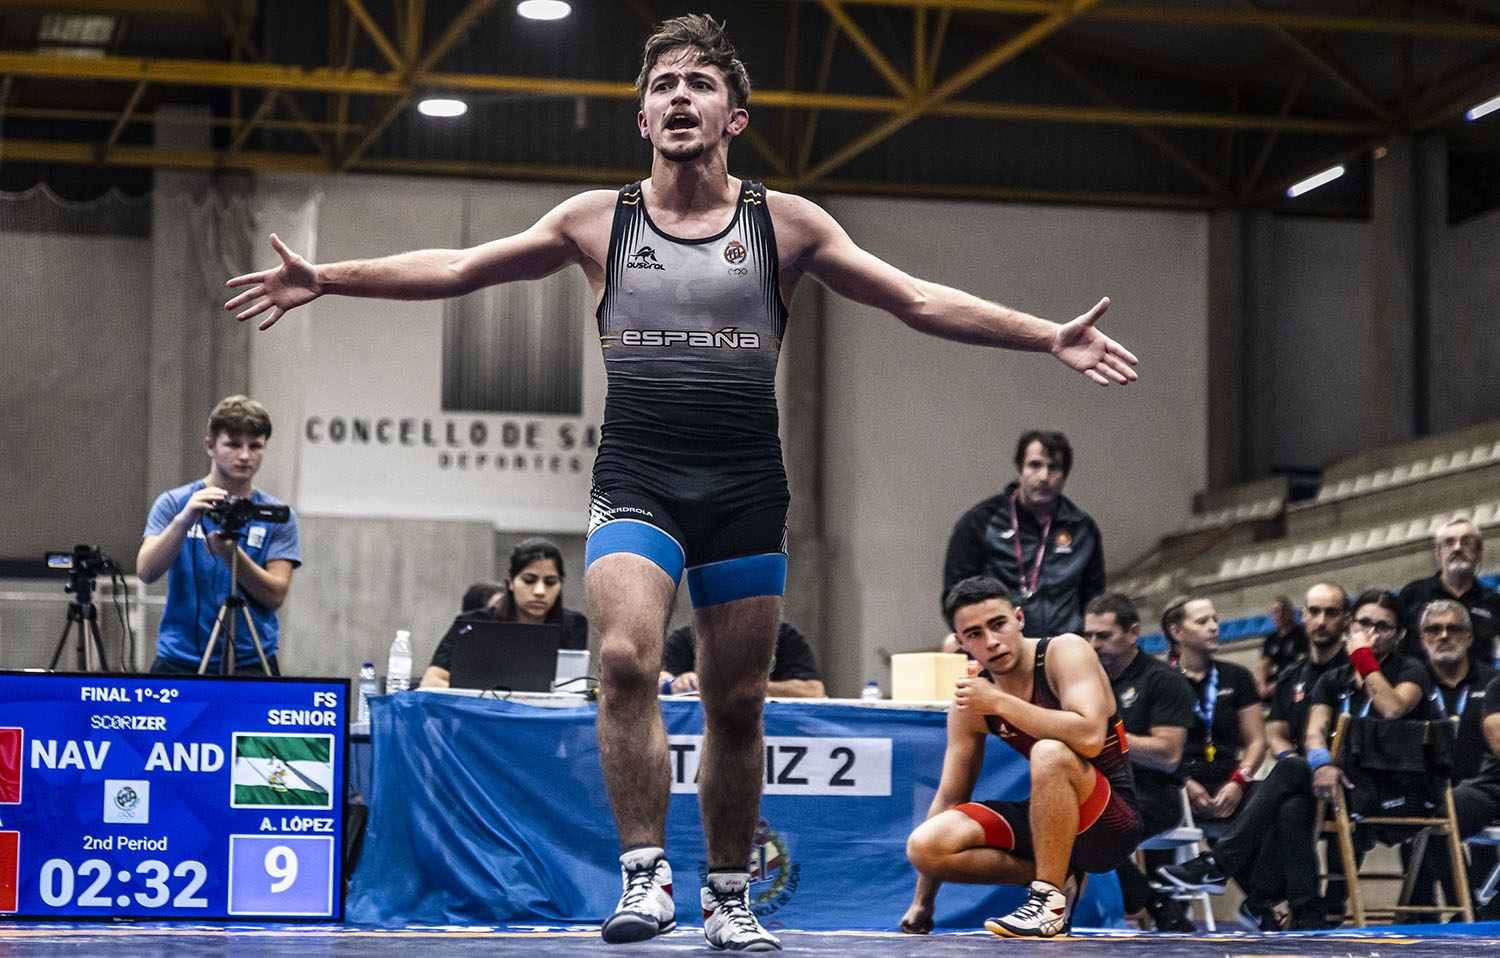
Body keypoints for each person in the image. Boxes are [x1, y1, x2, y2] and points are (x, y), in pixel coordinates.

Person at [224, 15, 1137, 950]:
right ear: (642, 115)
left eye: (699, 83)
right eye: (663, 84)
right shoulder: (595, 221)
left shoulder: (786, 224)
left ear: (733, 116)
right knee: (625, 658)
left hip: (746, 486)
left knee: (738, 700)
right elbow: (459, 267)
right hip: (640, 477)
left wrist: (1046, 334)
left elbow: (915, 299)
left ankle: (730, 894)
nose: (679, 97)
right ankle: (646, 875)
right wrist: (327, 277)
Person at [1161, 588, 1434, 930]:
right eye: (1365, 624)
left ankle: (1223, 865)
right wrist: (1320, 764)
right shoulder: (1334, 679)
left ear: (1401, 634)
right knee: (1293, 803)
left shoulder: (1412, 669)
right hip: (1345, 785)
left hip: (1394, 791)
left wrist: (1363, 654)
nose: (1372, 633)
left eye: (1383, 627)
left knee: (1290, 772)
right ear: (1353, 625)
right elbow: (1313, 733)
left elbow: (1392, 707)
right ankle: (1305, 912)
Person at [901, 577, 1142, 938]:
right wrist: (923, 902)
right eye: (975, 634)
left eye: (998, 625)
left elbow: (1090, 738)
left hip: (1109, 824)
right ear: (961, 642)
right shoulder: (973, 702)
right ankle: (1062, 877)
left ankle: (1048, 901)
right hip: (1050, 823)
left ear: (1019, 618)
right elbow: (951, 797)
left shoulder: (1065, 652)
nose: (992, 641)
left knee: (1050, 752)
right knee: (925, 845)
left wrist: (999, 702)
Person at [137, 395, 300, 675]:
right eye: (234, 444)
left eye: (256, 446)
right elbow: (146, 571)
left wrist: (229, 554)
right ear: (210, 446)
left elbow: (275, 595)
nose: (245, 455)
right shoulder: (174, 504)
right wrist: (184, 521)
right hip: (180, 661)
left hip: (251, 661)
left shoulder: (276, 515)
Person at [1083, 592, 1196, 932]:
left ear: (1133, 632)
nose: (1093, 644)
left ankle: (1148, 901)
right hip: (1098, 788)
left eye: (1104, 635)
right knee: (1054, 818)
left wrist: (1099, 737)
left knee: (1091, 829)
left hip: (1152, 793)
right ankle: (1152, 899)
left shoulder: (1163, 680)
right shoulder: (1086, 683)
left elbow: (1168, 753)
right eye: (1088, 635)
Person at [942, 431, 1105, 638]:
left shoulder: (1082, 529)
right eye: (1035, 465)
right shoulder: (980, 522)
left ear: (1065, 474)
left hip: (1062, 650)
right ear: (1020, 469)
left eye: (1054, 467)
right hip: (1000, 652)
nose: (1044, 477)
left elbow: (1093, 600)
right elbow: (955, 599)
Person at [421, 537, 588, 689]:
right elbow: (432, 681)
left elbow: (572, 689)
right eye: (529, 580)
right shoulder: (475, 623)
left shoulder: (574, 624)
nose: (540, 591)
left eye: (550, 582)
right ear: (511, 582)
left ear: (560, 585)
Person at [1160, 596, 1266, 826]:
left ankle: (1221, 863)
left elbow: (1257, 741)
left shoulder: (1237, 677)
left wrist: (1239, 781)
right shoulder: (1160, 681)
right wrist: (1183, 783)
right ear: (1177, 632)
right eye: (1202, 622)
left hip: (1229, 778)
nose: (1214, 627)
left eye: (1215, 620)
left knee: (1276, 803)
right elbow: (1155, 748)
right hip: (1178, 782)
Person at [1398, 518, 1500, 667]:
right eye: (1449, 542)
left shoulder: (1492, 601)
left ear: (1478, 553)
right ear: (1438, 553)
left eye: (1466, 542)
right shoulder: (1413, 594)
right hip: (1420, 687)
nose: (1457, 548)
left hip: (1479, 687)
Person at [660, 621, 825, 698]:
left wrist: (737, 688)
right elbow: (660, 681)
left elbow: (813, 691)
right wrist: (674, 684)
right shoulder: (685, 639)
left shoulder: (785, 637)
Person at [1257, 595, 1307, 701]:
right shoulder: (1271, 639)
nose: (1280, 615)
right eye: (1275, 612)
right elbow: (1264, 664)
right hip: (1279, 678)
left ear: (1290, 612)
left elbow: (1301, 664)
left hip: (1297, 678)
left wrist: (1278, 684)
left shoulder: (1302, 634)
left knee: (1297, 690)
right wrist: (1263, 684)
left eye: (1283, 611)